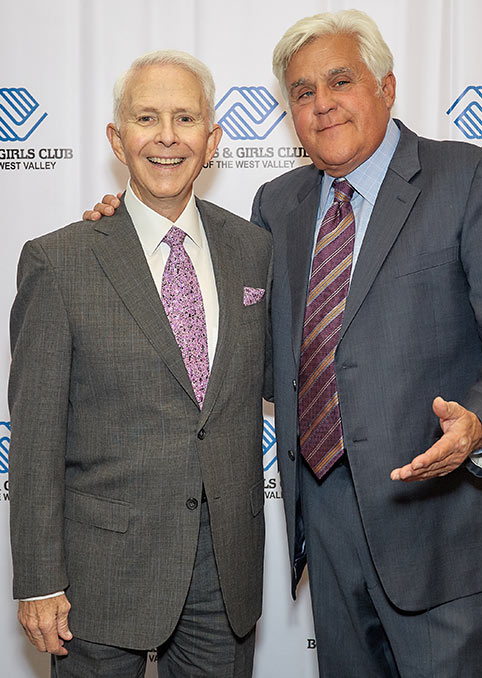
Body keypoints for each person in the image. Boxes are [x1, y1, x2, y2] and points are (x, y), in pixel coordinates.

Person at [85, 10, 482, 677]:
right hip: (329, 532)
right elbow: (245, 345)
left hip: (444, 525)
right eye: (303, 92)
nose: (322, 104)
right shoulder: (276, 206)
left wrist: (480, 424)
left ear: (387, 88)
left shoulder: (467, 178)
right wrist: (126, 226)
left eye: (340, 81)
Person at [9, 49, 272, 678]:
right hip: (100, 578)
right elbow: (36, 433)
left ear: (212, 140)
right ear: (116, 137)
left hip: (223, 573)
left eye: (185, 119)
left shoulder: (253, 249)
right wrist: (38, 579)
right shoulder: (59, 261)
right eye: (146, 117)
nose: (166, 137)